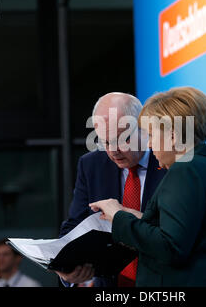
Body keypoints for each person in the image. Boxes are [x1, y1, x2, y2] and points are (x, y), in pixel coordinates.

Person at [90, 86, 206, 286]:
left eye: (152, 135)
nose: (150, 145)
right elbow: (189, 233)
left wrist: (119, 218)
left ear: (172, 135)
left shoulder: (184, 170)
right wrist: (133, 216)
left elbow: (170, 247)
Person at [56, 92, 167, 287]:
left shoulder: (169, 161)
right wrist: (65, 268)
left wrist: (126, 217)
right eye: (105, 141)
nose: (113, 150)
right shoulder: (92, 165)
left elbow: (177, 231)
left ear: (142, 127)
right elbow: (75, 225)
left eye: (120, 139)